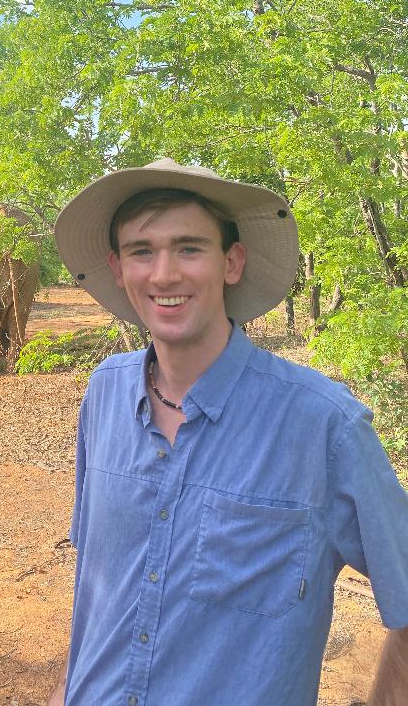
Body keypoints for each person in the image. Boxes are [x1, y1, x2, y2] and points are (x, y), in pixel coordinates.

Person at [49, 159, 408, 706]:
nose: (163, 274)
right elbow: (98, 588)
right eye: (142, 251)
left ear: (232, 262)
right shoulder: (103, 393)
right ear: (118, 268)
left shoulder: (323, 427)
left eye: (189, 248)